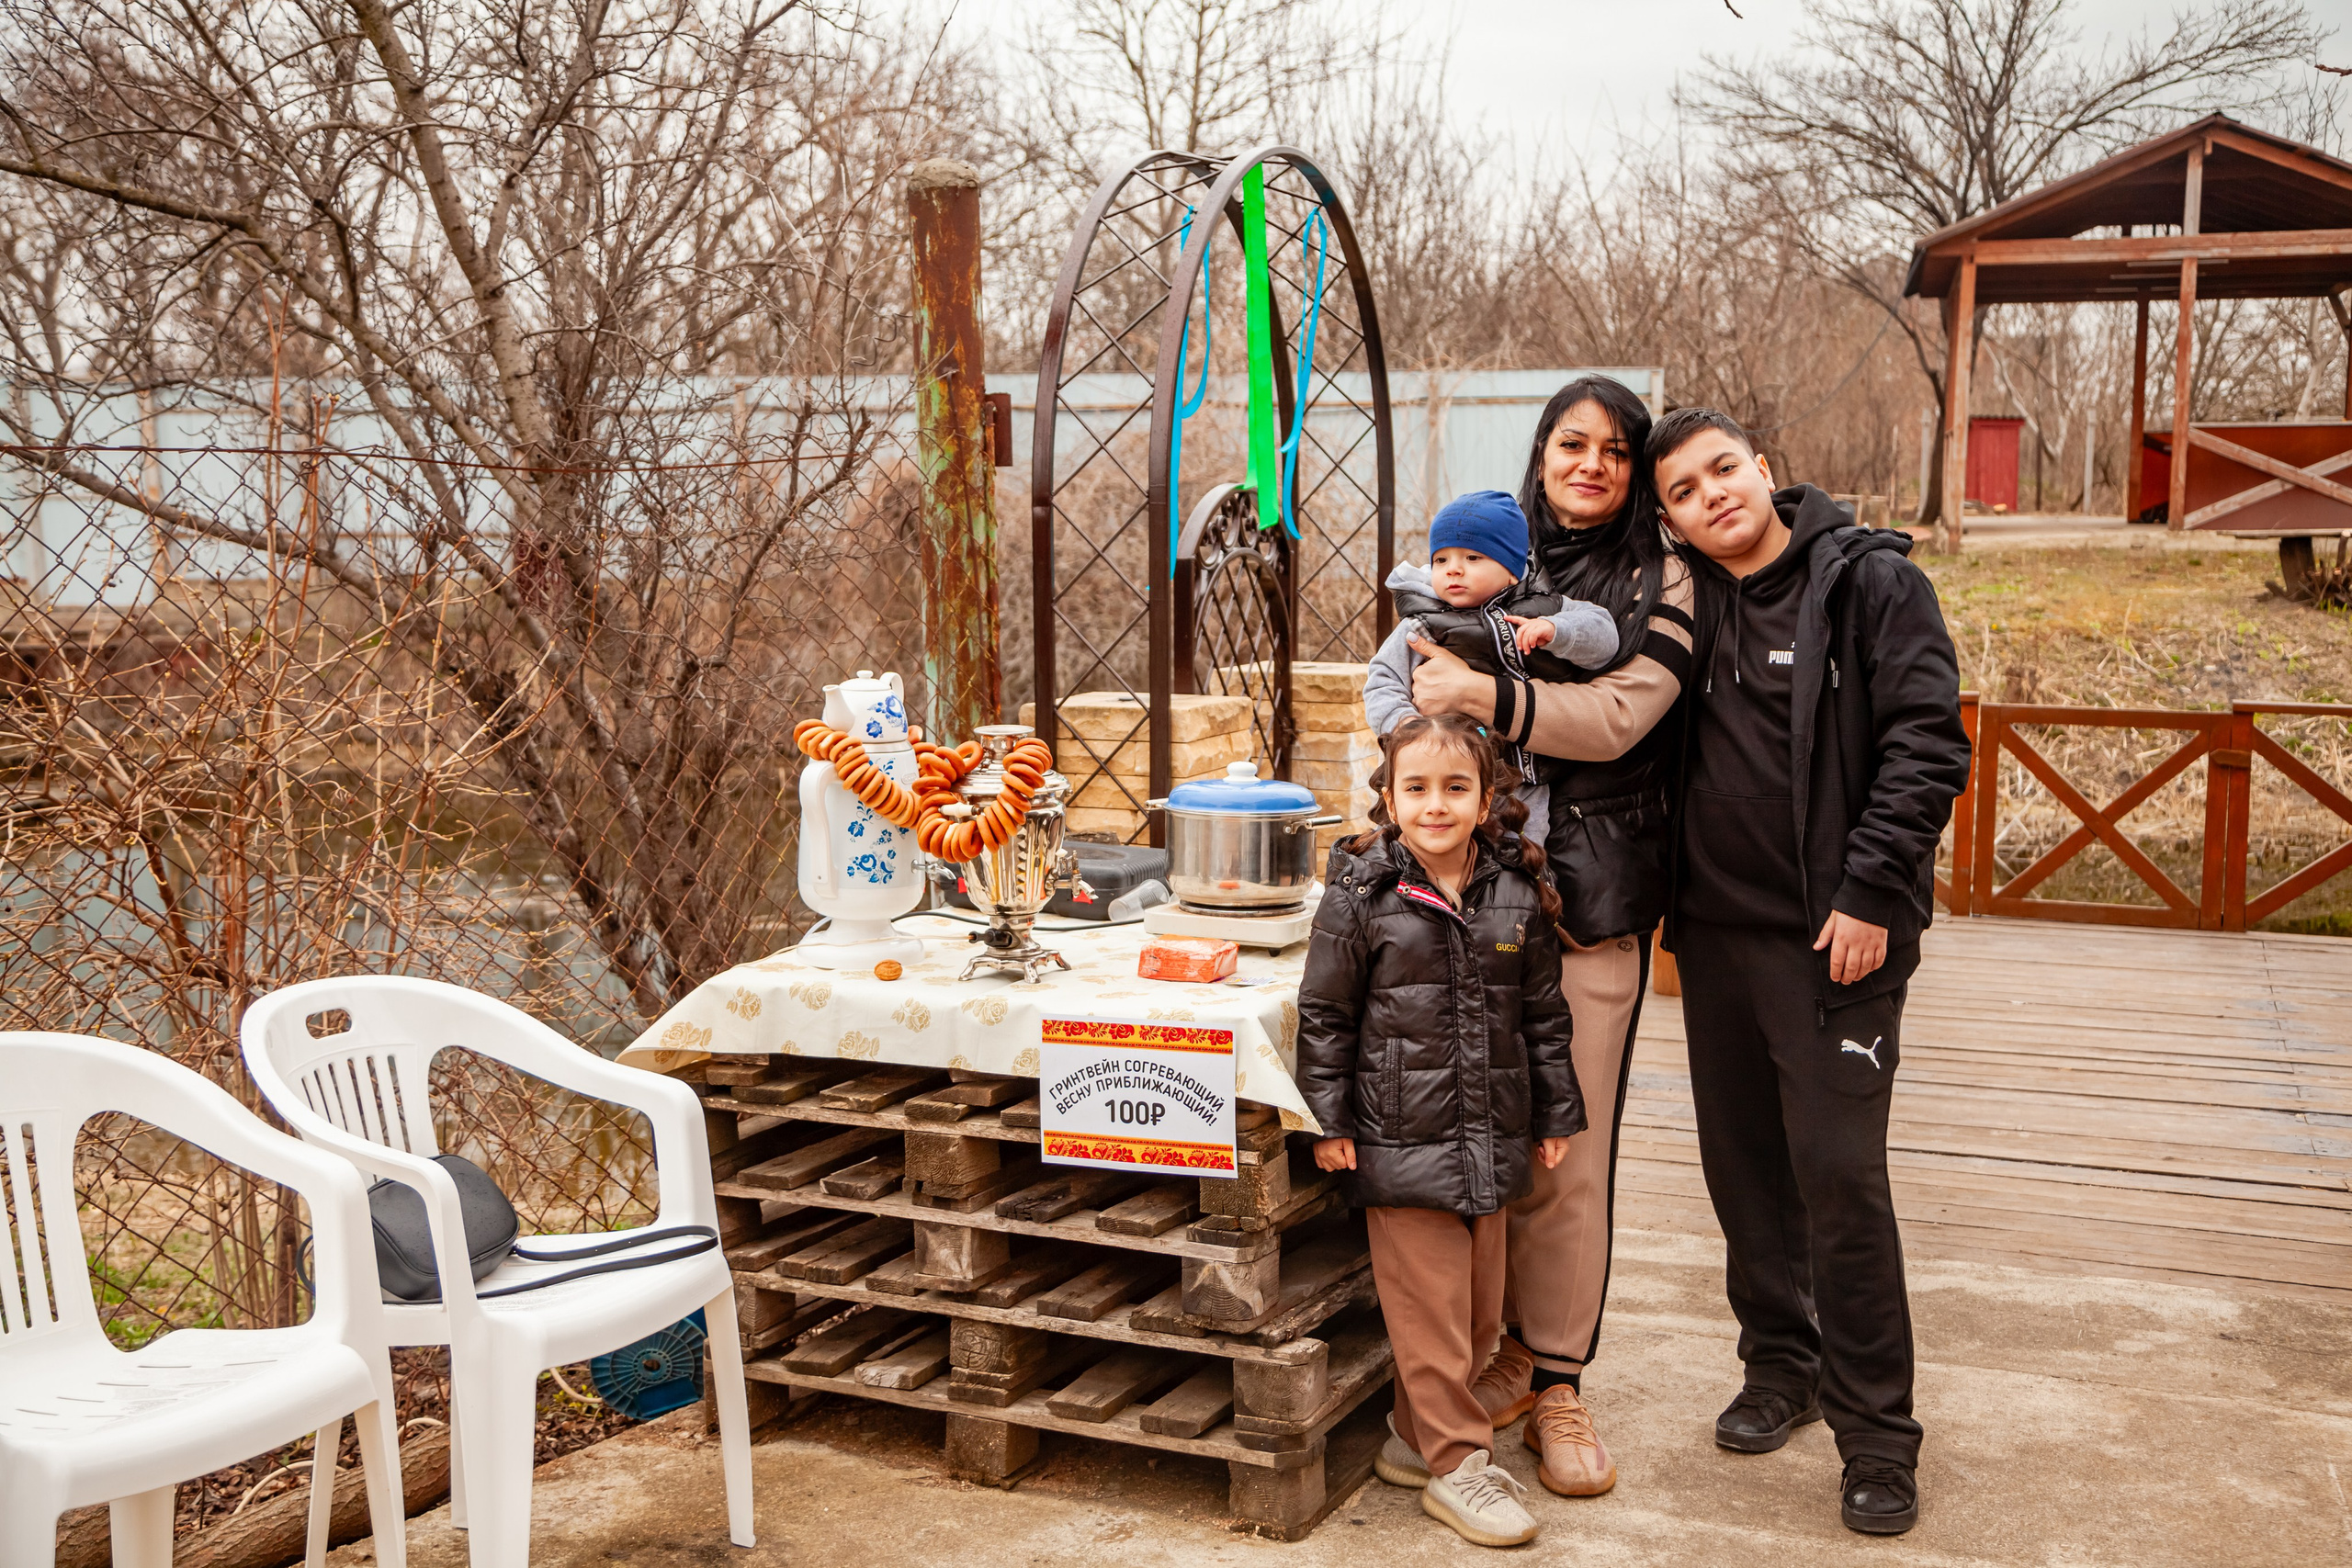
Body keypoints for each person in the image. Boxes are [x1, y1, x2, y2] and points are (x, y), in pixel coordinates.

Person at [1648, 408, 1968, 1536]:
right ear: (1671, 519)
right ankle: (1780, 1366)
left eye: (1722, 470)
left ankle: (1877, 1436)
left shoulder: (1870, 583)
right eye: (1684, 491)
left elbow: (1928, 742)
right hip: (1713, 940)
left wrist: (1871, 891)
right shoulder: (1677, 603)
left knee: (1837, 1176)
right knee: (1743, 1173)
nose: (1712, 495)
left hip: (1837, 939)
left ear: (1764, 469)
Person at [1404, 376, 1694, 1497]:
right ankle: (1491, 1358)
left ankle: (1559, 1375)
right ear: (1541, 453)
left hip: (1590, 902)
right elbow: (1410, 697)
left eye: (1615, 450)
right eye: (1571, 444)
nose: (1590, 465)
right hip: (1468, 897)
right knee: (1474, 1134)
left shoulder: (1661, 575)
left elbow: (1621, 717)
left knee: (1566, 1150)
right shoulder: (1488, 554)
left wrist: (1484, 698)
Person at [1294, 712, 1584, 1548]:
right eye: (1415, 787)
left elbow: (1543, 1015)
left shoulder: (1515, 891)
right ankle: (1460, 1466)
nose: (1435, 804)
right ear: (1389, 798)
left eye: (1456, 787)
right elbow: (1326, 1014)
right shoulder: (1362, 893)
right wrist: (1330, 1118)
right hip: (1400, 1135)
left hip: (1492, 1136)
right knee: (1429, 1317)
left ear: (1486, 800)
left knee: (1478, 1317)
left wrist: (1555, 1110)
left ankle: (1412, 1441)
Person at [1363, 489, 1620, 847]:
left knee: (1521, 853)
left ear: (1512, 570)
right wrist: (1405, 726)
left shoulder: (1549, 608)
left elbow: (1605, 639)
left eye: (1472, 557)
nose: (1453, 569)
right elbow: (1382, 680)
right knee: (1435, 853)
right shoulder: (1424, 623)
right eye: (1441, 559)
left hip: (1523, 779)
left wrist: (1558, 631)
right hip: (1445, 775)